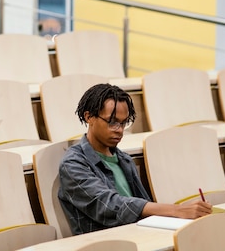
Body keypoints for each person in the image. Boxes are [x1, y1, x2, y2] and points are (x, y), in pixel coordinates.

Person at [58, 83, 212, 234]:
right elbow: (109, 206)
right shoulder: (73, 164)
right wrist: (177, 210)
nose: (119, 130)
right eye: (112, 122)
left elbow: (143, 208)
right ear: (89, 117)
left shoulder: (124, 159)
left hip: (140, 236)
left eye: (124, 123)